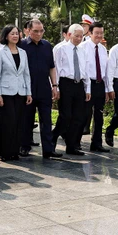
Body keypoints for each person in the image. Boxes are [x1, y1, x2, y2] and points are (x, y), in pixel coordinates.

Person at [20, 19, 63, 159]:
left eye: (41, 31)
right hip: (28, 87)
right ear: (28, 30)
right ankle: (24, 146)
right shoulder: (21, 45)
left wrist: (55, 86)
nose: (39, 34)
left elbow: (52, 67)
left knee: (46, 119)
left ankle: (48, 149)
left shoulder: (46, 45)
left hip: (44, 87)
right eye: (35, 31)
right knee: (26, 118)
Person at [0, 25, 32, 161]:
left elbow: (26, 74)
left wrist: (29, 93)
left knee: (18, 122)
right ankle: (4, 152)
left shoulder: (23, 52)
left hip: (20, 91)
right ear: (6, 36)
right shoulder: (0, 52)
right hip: (6, 92)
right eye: (12, 34)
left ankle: (15, 151)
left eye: (17, 33)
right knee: (7, 122)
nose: (15, 36)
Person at [53, 24, 90, 156]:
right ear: (69, 35)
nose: (79, 38)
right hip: (65, 84)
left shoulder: (82, 50)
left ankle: (72, 145)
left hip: (79, 85)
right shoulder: (60, 49)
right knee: (65, 116)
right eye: (76, 36)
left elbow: (86, 70)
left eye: (81, 36)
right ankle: (53, 139)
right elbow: (55, 69)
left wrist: (87, 89)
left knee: (78, 117)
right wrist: (55, 86)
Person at [84, 21, 111, 152]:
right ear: (90, 33)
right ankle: (75, 142)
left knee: (99, 115)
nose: (99, 36)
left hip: (100, 85)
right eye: (96, 33)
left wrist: (106, 90)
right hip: (87, 85)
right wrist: (87, 89)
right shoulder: (83, 47)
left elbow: (105, 71)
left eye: (101, 33)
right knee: (83, 115)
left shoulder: (102, 49)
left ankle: (96, 143)